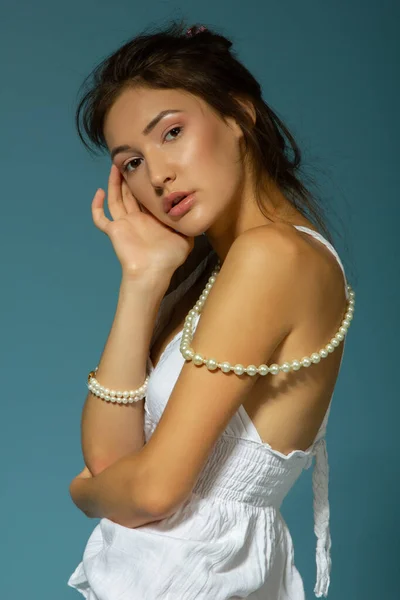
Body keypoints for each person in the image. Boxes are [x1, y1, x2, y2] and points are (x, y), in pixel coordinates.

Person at [67, 20, 355, 599]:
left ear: (239, 114)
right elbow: (112, 456)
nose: (157, 174)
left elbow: (148, 492)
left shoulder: (273, 255)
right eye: (130, 163)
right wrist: (143, 281)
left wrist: (85, 494)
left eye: (171, 132)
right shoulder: (222, 274)